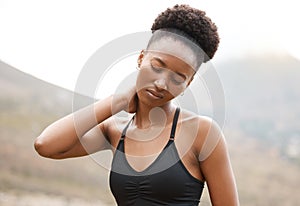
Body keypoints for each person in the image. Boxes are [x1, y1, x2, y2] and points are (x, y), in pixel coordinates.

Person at [34, 4, 239, 206]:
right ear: (141, 58)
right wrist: (118, 101)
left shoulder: (202, 133)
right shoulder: (114, 131)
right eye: (157, 67)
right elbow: (46, 145)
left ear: (189, 82)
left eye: (177, 79)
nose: (161, 84)